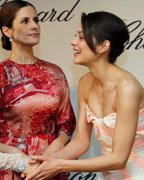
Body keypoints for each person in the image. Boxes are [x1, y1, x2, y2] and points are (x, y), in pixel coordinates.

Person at [26, 11, 144, 180]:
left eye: (81, 37)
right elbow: (81, 141)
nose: (73, 42)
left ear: (104, 46)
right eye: (76, 36)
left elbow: (119, 158)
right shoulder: (85, 83)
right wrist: (45, 162)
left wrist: (59, 165)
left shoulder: (127, 88)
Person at [0, 0, 76, 180]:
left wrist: (56, 147)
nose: (34, 26)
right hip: (12, 167)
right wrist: (18, 157)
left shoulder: (54, 72)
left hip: (51, 166)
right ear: (7, 31)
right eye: (25, 21)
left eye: (36, 20)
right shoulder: (2, 74)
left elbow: (67, 122)